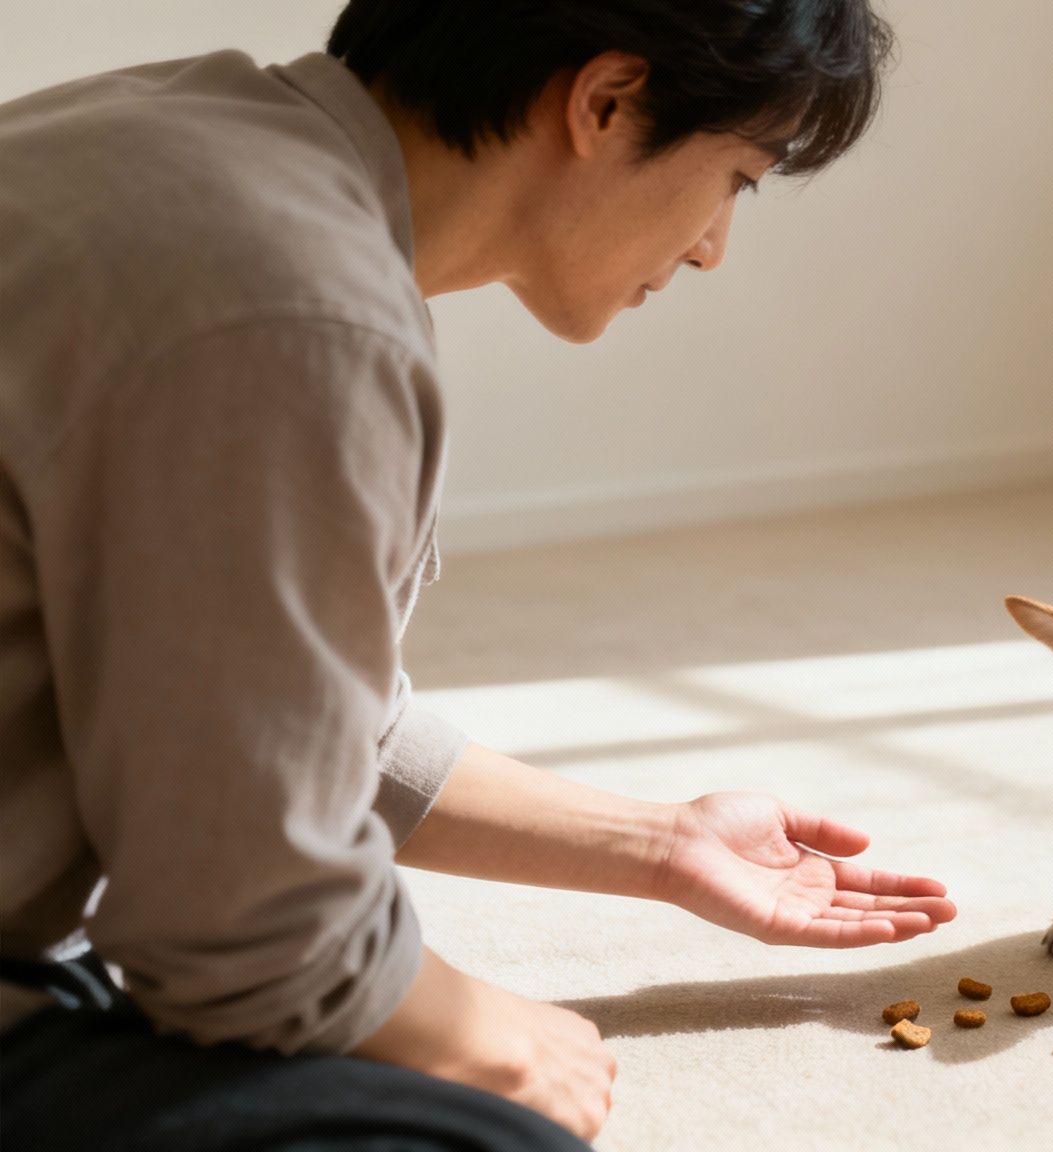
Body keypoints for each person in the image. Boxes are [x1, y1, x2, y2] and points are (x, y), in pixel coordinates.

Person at [0, 2, 952, 1147]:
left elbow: (264, 707)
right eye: (738, 177)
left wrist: (661, 844)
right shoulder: (293, 310)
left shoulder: (177, 138)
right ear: (606, 102)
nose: (711, 245)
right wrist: (483, 1032)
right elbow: (246, 935)